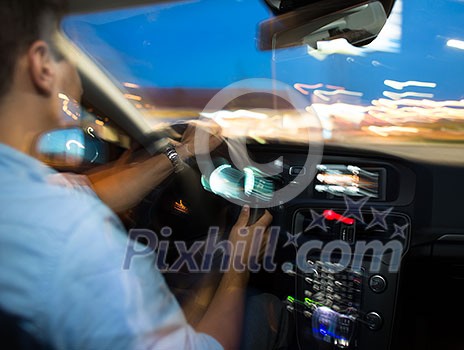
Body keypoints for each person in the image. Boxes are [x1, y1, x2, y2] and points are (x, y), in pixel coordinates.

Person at [0, 1, 282, 349]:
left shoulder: (19, 191)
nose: (81, 77)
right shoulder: (78, 240)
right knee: (263, 307)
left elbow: (88, 194)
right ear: (42, 65)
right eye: (71, 55)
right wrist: (238, 267)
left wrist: (180, 153)